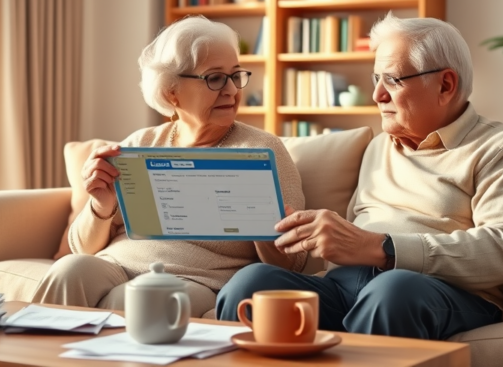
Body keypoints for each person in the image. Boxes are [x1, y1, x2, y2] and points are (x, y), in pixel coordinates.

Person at [216, 15, 503, 340]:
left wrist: (382, 248)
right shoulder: (379, 146)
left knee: (392, 290)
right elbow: (346, 240)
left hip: (441, 292)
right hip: (344, 288)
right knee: (251, 284)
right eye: (375, 79)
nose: (377, 94)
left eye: (392, 80)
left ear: (445, 85)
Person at [31, 16, 306, 316]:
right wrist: (101, 205)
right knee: (69, 270)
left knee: (140, 299)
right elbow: (83, 249)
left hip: (196, 280)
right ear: (171, 92)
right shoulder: (141, 144)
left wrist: (261, 223)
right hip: (116, 263)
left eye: (235, 75)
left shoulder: (261, 151)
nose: (231, 90)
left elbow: (292, 264)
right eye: (215, 78)